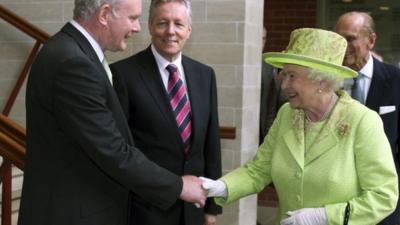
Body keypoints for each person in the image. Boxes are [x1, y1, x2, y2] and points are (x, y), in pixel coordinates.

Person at [18, 0, 207, 225]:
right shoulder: (73, 63)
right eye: (133, 18)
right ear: (105, 14)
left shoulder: (74, 52)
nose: (137, 28)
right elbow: (112, 150)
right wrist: (180, 186)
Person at [201, 28, 399, 225]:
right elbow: (259, 170)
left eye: (292, 76)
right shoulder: (287, 114)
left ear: (320, 81)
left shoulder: (362, 121)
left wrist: (324, 216)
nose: (284, 84)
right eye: (284, 75)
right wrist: (222, 186)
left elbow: (383, 196)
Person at [110, 0, 222, 225]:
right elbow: (120, 149)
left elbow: (211, 145)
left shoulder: (205, 75)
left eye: (178, 24)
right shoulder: (122, 75)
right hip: (145, 210)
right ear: (150, 26)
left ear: (189, 30)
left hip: (193, 210)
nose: (170, 31)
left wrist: (212, 207)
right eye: (162, 23)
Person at [335, 11, 400, 225]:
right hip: (336, 198)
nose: (343, 45)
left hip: (382, 200)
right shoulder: (326, 83)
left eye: (350, 38)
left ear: (371, 40)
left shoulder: (395, 80)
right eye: (339, 38)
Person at [259, 26, 285, 144]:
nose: (260, 43)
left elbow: (272, 104)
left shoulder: (270, 67)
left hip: (263, 129)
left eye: (263, 39)